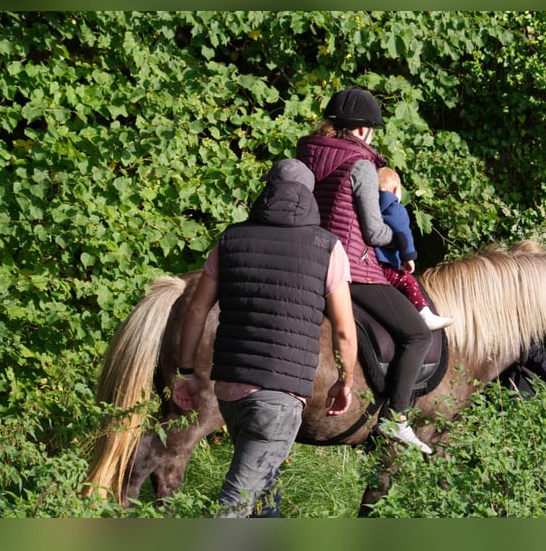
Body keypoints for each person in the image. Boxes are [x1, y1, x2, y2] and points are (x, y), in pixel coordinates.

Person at [172, 158, 357, 518]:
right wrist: (346, 380)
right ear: (310, 196)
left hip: (229, 393)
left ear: (267, 188)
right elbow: (344, 329)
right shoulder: (327, 246)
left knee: (263, 490)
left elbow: (196, 311)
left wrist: (186, 371)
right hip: (279, 399)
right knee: (235, 504)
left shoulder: (231, 238)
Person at [296, 86, 433, 454]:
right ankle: (396, 420)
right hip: (351, 269)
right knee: (418, 334)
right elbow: (372, 231)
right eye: (372, 129)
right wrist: (399, 240)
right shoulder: (361, 165)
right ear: (361, 131)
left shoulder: (306, 154)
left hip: (304, 262)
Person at [375, 166, 454, 331]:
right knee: (408, 282)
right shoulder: (395, 209)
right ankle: (425, 315)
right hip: (384, 266)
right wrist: (408, 256)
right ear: (396, 190)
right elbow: (403, 234)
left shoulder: (371, 209)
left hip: (370, 263)